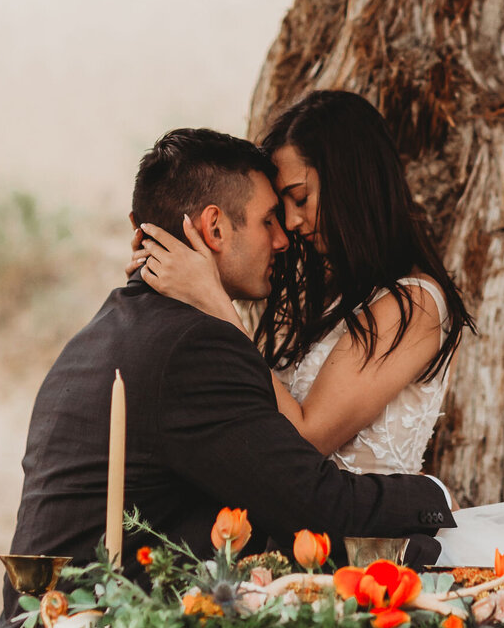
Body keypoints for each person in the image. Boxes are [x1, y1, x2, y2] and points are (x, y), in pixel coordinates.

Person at [0, 126, 455, 628]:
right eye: (267, 220)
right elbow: (318, 507)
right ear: (214, 227)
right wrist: (432, 497)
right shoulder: (193, 346)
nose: (283, 239)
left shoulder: (108, 329)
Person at [132, 90, 473, 477]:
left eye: (300, 198)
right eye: (279, 209)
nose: (291, 223)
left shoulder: (415, 305)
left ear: (352, 182)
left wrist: (214, 303)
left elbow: (307, 439)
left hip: (371, 535)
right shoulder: (326, 293)